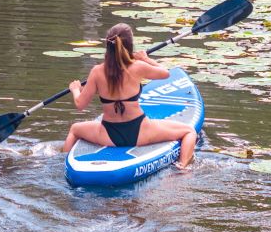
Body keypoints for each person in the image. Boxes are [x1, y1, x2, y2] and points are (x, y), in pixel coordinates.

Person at [61, 23, 197, 169]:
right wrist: (145, 59)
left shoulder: (97, 72)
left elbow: (80, 104)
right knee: (189, 131)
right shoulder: (138, 67)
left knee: (75, 129)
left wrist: (75, 89)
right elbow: (165, 73)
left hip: (108, 135)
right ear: (129, 46)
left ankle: (63, 164)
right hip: (141, 132)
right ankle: (182, 168)